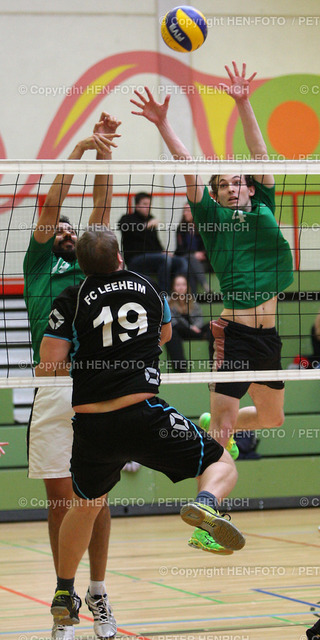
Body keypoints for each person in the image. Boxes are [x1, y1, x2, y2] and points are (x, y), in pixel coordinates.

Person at [39, 227, 245, 631]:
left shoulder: (71, 296)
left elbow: (49, 362)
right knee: (222, 463)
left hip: (93, 424)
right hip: (143, 414)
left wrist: (89, 361)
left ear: (81, 265)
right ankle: (205, 503)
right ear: (120, 256)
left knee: (85, 505)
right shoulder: (148, 287)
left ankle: (65, 589)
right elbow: (165, 335)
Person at [130, 61, 294, 552]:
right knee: (223, 431)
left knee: (272, 420)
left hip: (270, 335)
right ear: (217, 194)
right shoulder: (212, 218)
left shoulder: (262, 198)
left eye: (237, 181)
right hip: (235, 335)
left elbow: (260, 151)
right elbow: (189, 167)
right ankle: (207, 514)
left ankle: (208, 425)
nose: (233, 187)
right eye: (224, 185)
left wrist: (243, 101)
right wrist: (162, 123)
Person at [23, 113, 121, 640]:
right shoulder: (40, 264)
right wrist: (79, 150)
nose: (64, 229)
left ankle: (100, 592)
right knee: (60, 500)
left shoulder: (92, 264)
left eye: (70, 230)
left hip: (100, 385)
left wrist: (105, 157)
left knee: (97, 497)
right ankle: (65, 599)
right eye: (59, 229)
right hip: (53, 388)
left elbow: (101, 212)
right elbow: (51, 205)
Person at [118, 191, 188, 294]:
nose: (148, 207)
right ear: (137, 206)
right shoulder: (126, 219)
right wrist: (147, 225)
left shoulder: (151, 219)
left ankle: (177, 295)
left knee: (181, 261)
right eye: (145, 204)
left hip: (154, 258)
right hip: (135, 259)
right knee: (164, 259)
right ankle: (164, 295)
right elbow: (131, 231)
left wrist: (163, 251)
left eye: (149, 204)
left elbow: (155, 243)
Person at [166, 274, 212, 371]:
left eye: (183, 284)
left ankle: (214, 361)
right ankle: (181, 368)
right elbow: (173, 322)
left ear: (187, 287)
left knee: (212, 325)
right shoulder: (169, 302)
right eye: (178, 285)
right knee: (173, 331)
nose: (181, 287)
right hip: (180, 332)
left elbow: (199, 319)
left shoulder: (192, 301)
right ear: (173, 287)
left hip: (195, 331)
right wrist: (191, 328)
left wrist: (195, 327)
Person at [175, 202, 211, 294]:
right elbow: (179, 250)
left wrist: (203, 254)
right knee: (190, 259)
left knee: (190, 268)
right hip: (186, 258)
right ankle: (205, 286)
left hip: (202, 262)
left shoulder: (203, 227)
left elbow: (209, 246)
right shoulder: (180, 229)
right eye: (184, 211)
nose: (185, 213)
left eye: (188, 210)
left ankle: (192, 299)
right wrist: (194, 254)